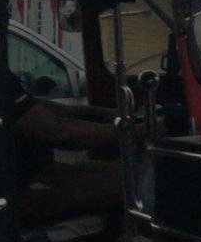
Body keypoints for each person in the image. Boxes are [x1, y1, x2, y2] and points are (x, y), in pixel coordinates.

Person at [7, 72, 123, 228]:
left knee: (117, 173)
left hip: (31, 174)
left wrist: (99, 113)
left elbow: (31, 107)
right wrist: (142, 130)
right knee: (133, 183)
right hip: (20, 189)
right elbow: (62, 134)